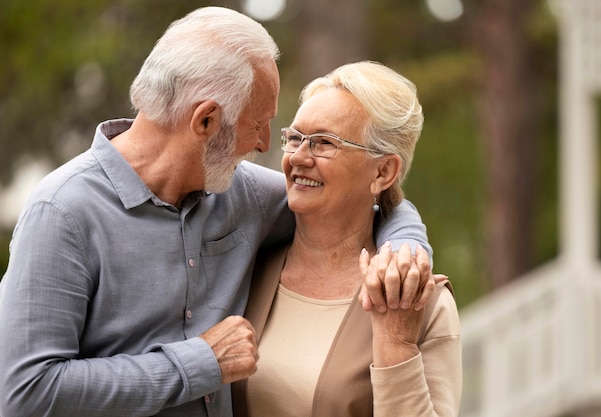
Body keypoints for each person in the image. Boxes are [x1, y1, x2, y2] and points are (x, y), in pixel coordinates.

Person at [0, 8, 435, 417]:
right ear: (206, 121)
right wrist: (200, 363)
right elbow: (24, 392)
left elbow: (357, 198)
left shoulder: (242, 192)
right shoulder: (62, 213)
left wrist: (404, 246)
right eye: (258, 123)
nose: (266, 144)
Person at [232, 61, 462, 417]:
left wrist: (396, 344)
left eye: (324, 143)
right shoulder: (246, 261)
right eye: (295, 138)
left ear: (383, 171)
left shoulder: (424, 300)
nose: (298, 158)